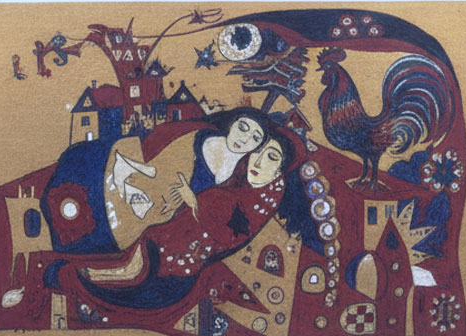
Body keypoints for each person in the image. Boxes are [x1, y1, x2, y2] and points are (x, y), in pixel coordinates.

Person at [46, 125, 304, 313]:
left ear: (279, 170)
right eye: (259, 151)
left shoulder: (262, 198)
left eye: (271, 156)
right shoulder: (237, 171)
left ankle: (89, 276)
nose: (258, 160)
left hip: (183, 252)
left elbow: (229, 232)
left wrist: (192, 200)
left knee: (139, 265)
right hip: (169, 229)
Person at [40, 108, 275, 254]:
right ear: (232, 124)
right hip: (137, 178)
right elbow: (156, 154)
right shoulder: (201, 135)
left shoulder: (235, 177)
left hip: (157, 213)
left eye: (254, 138)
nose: (244, 139)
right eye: (243, 127)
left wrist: (190, 201)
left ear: (257, 147)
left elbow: (209, 214)